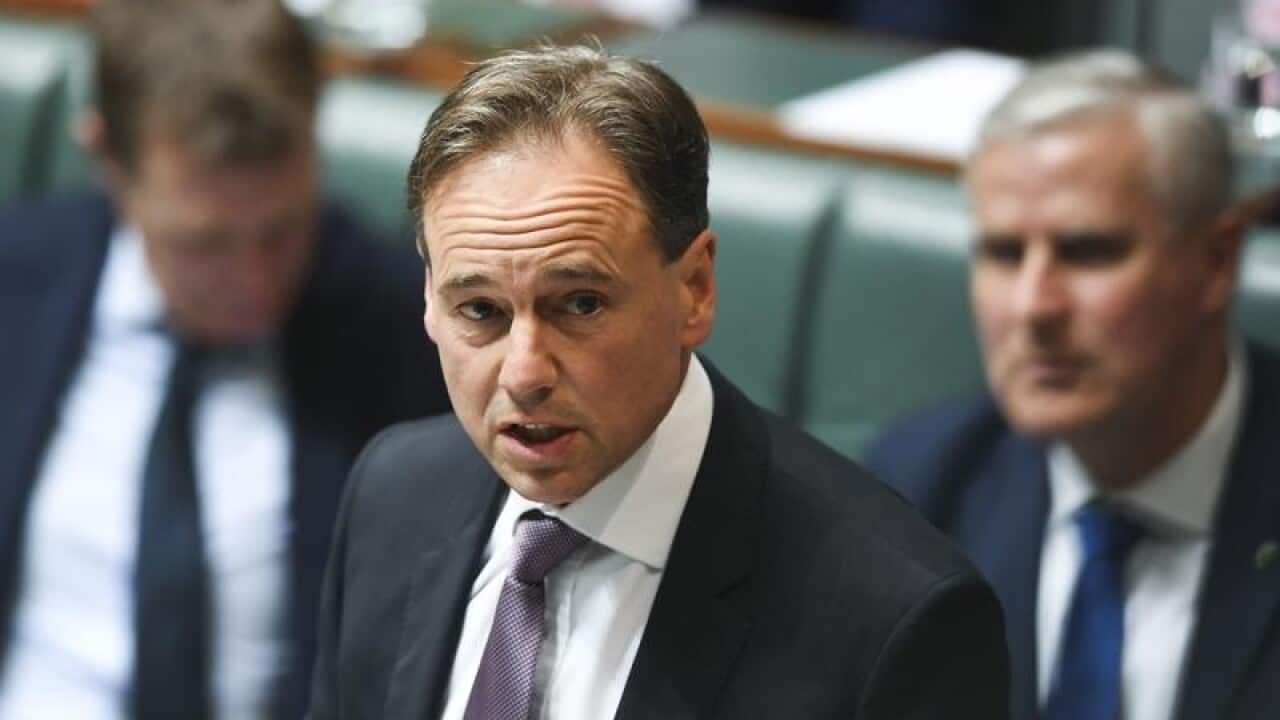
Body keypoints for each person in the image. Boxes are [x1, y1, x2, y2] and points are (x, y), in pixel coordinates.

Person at [308, 44, 1009, 720]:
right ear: (430, 298)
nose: (524, 374)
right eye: (480, 311)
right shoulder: (392, 493)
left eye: (580, 303)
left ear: (695, 289)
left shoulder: (893, 619)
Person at [0, 0, 450, 717]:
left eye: (281, 230)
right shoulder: (16, 284)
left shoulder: (418, 337)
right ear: (109, 163)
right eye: (203, 244)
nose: (255, 282)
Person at [867, 50, 1280, 720]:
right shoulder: (918, 490)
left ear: (1216, 261)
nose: (1034, 306)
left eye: (1088, 252)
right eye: (1003, 253)